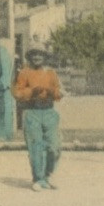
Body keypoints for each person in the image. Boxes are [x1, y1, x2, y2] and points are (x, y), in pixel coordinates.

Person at [13, 49, 65, 191]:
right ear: (30, 57)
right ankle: (38, 178)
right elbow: (17, 93)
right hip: (32, 111)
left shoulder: (51, 73)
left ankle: (49, 175)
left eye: (40, 54)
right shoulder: (24, 73)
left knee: (54, 146)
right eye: (33, 55)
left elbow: (59, 93)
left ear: (44, 57)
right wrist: (31, 91)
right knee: (35, 146)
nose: (37, 57)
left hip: (49, 111)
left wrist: (51, 92)